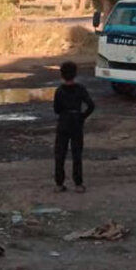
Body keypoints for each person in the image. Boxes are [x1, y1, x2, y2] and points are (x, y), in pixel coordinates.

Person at [52, 61, 95, 193]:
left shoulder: (59, 91)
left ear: (62, 75)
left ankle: (59, 183)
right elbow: (91, 105)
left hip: (64, 121)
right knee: (77, 153)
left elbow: (56, 109)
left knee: (60, 153)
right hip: (76, 121)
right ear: (75, 74)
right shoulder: (80, 89)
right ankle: (78, 184)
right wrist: (82, 116)